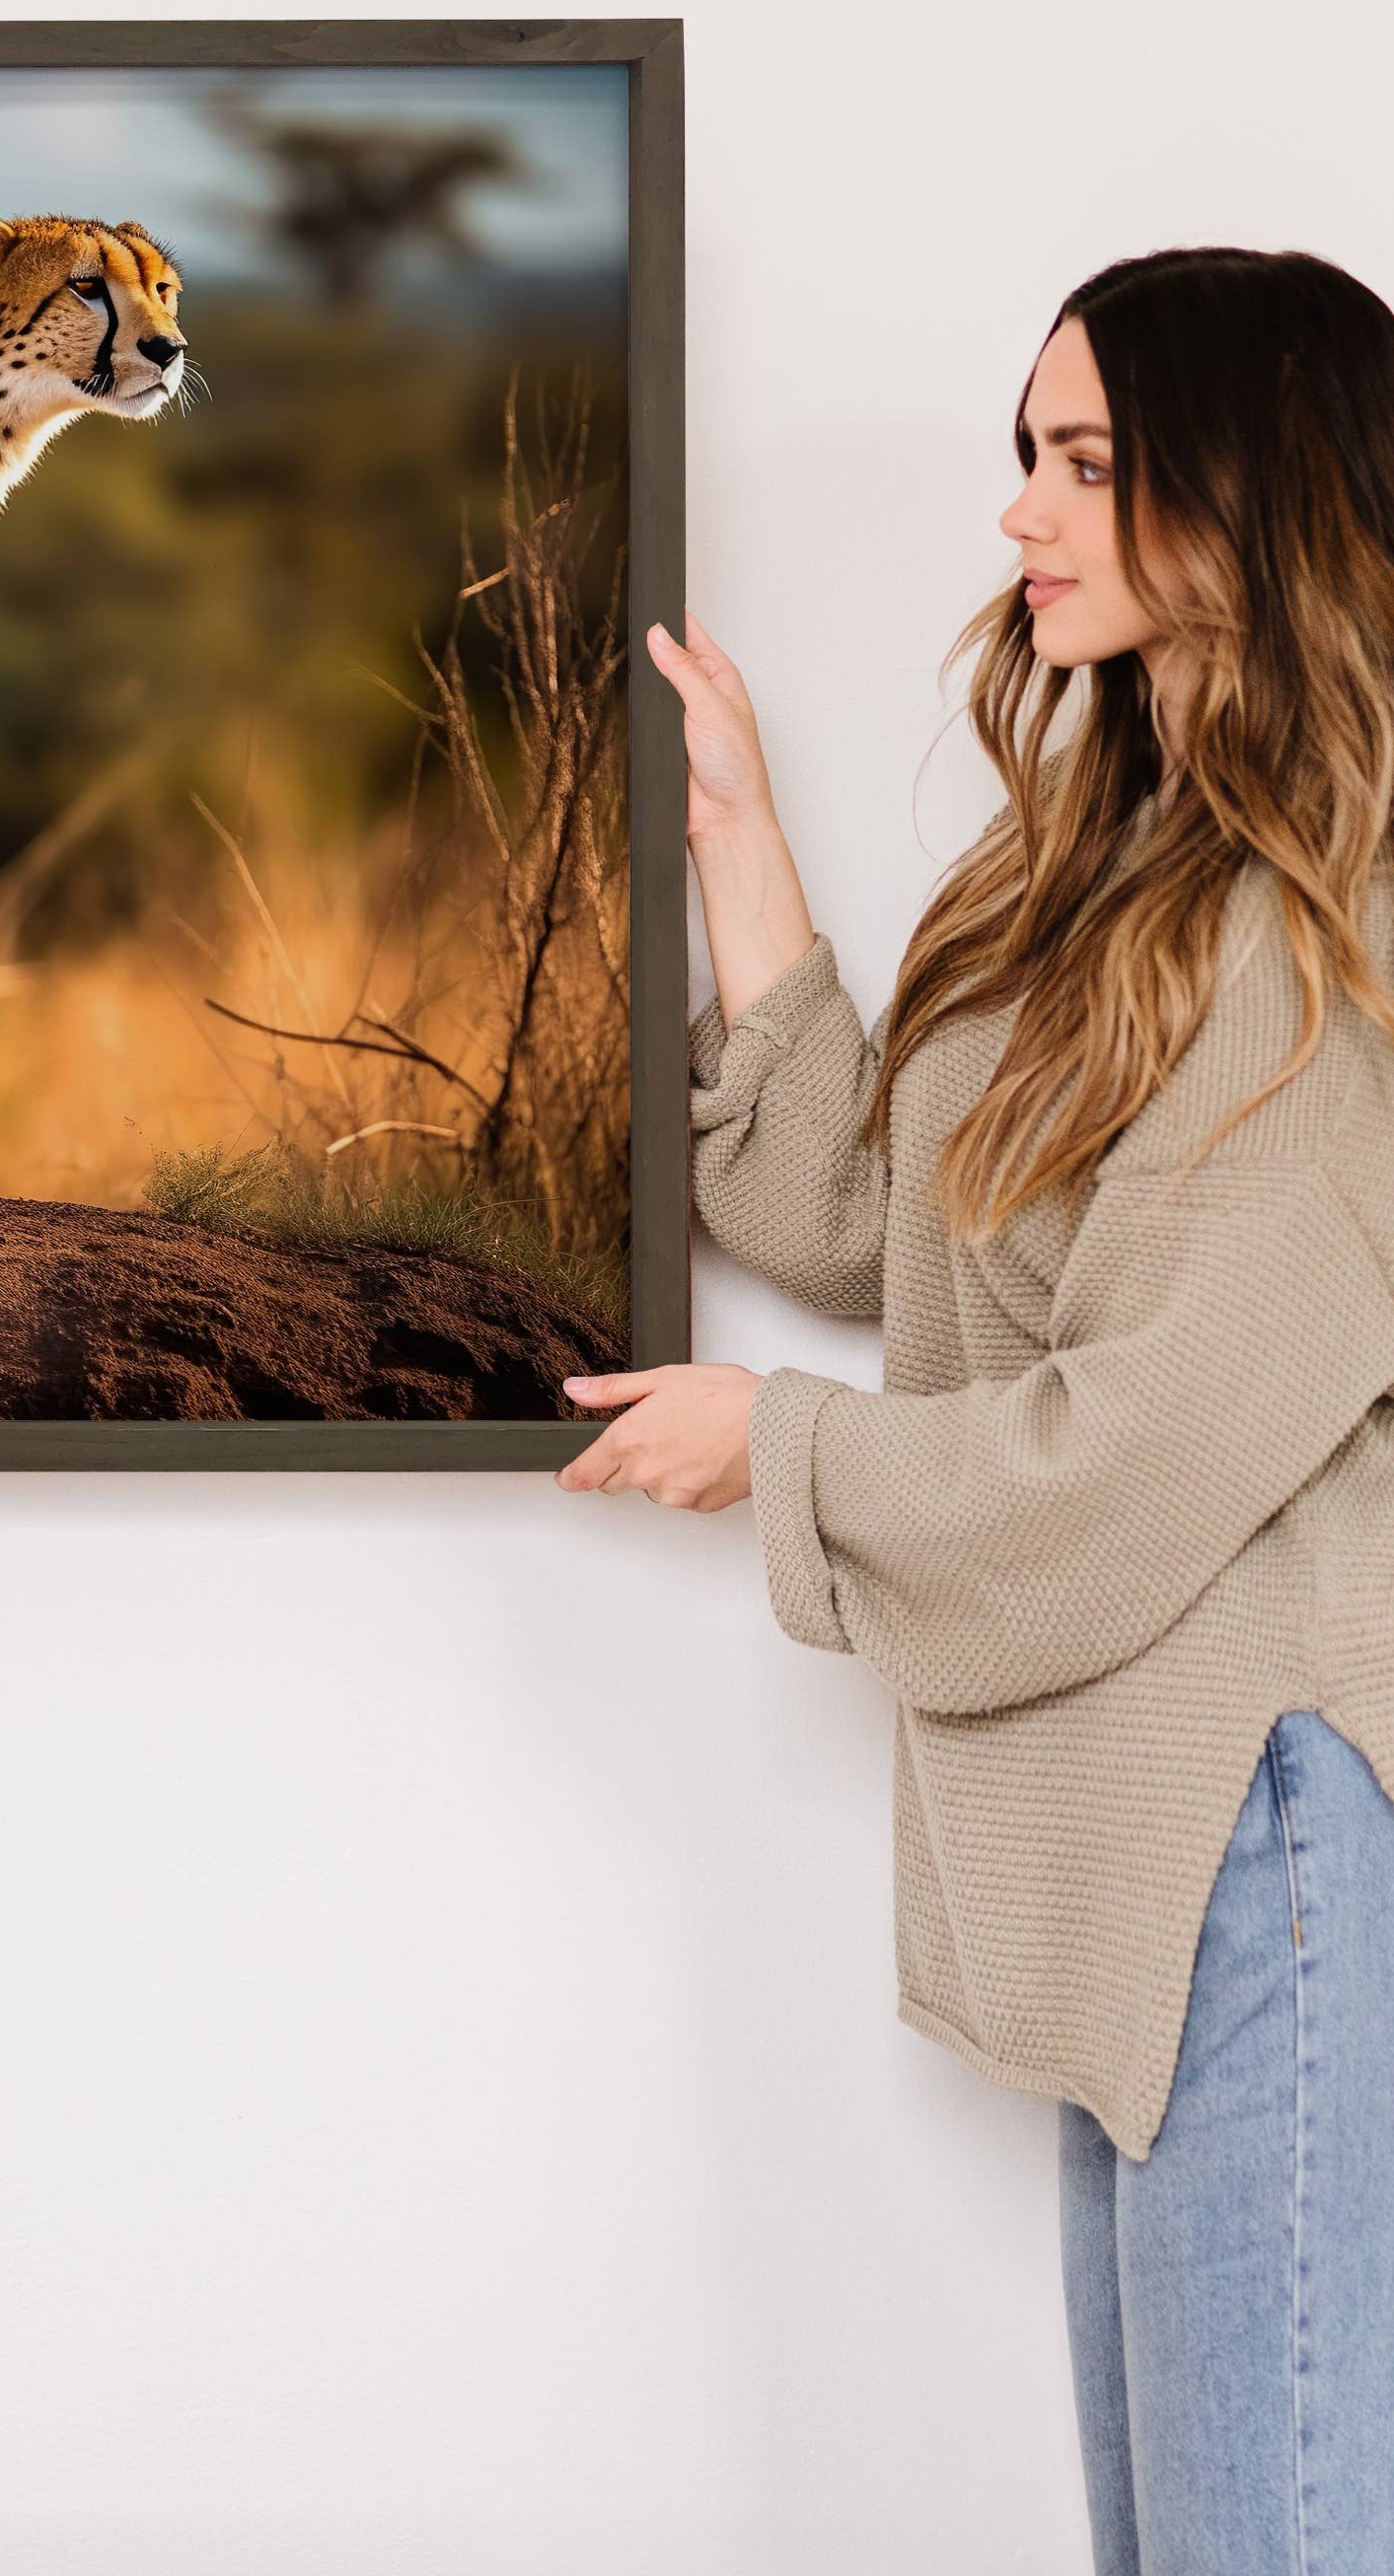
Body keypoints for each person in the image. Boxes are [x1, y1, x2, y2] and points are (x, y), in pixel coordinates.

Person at [557, 248, 1394, 2572]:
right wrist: (734, 832)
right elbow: (876, 1218)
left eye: (1091, 464)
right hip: (1144, 1855)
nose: (1027, 514)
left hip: (1269, 1849)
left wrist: (779, 1454)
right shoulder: (1104, 863)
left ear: (1258, 496)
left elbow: (1149, 1442)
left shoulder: (1346, 929)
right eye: (1026, 456)